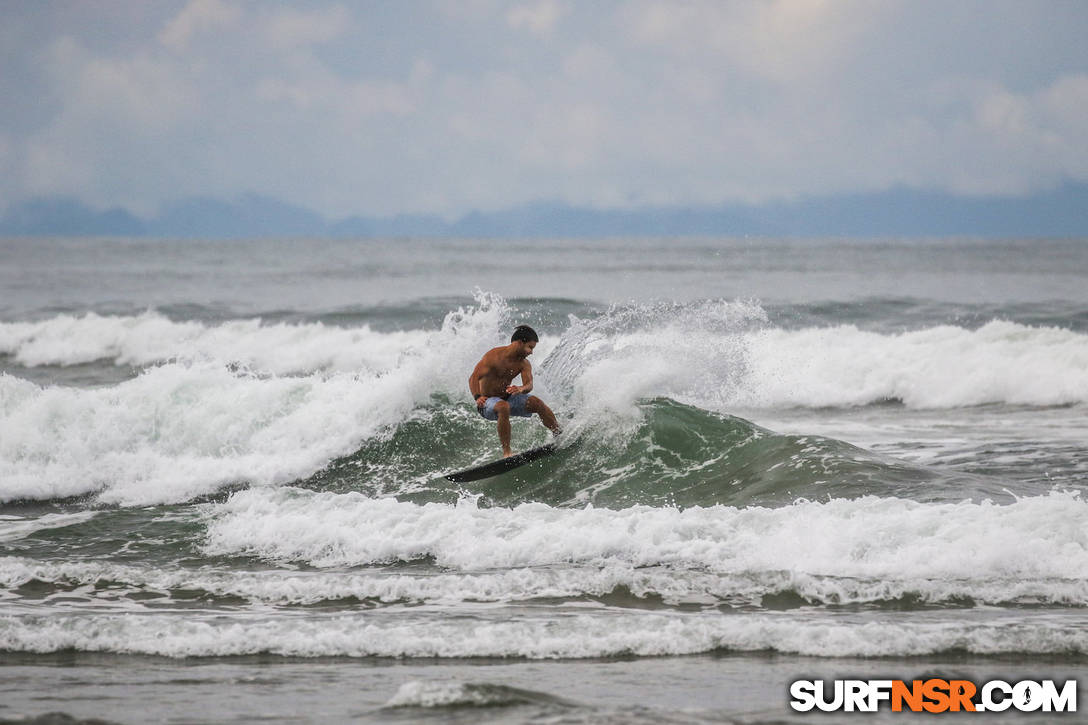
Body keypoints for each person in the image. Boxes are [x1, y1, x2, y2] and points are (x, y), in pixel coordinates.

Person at [468, 325, 561, 457]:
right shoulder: (493, 356)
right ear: (519, 343)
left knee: (538, 403)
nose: (531, 352)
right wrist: (477, 397)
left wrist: (521, 389)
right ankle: (507, 453)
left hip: (508, 398)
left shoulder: (523, 364)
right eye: (530, 347)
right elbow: (473, 377)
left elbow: (529, 384)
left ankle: (558, 434)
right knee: (503, 406)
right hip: (488, 402)